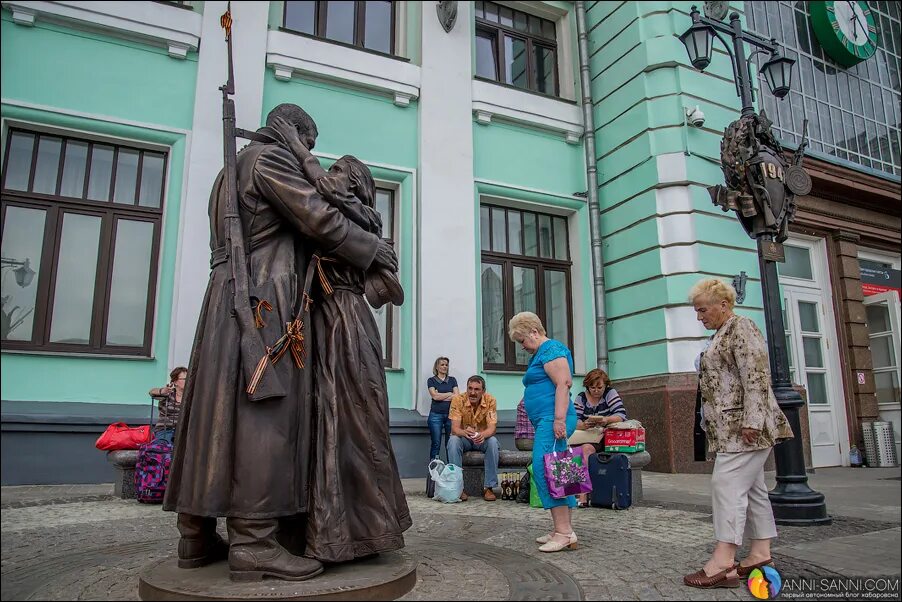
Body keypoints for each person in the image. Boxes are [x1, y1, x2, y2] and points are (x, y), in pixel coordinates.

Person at [163, 103, 399, 582]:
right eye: (308, 146)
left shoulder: (230, 169)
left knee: (216, 412)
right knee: (265, 418)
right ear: (295, 133)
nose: (307, 158)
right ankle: (254, 542)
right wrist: (375, 249)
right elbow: (317, 219)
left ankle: (195, 531)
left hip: (228, 299)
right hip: (265, 300)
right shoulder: (269, 160)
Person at [273, 120, 412, 562]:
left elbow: (321, 196)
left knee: (351, 418)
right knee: (323, 421)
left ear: (352, 181)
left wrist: (294, 145)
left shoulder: (358, 214)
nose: (327, 173)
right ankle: (322, 528)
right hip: (322, 321)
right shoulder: (343, 215)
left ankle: (358, 530)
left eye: (337, 169)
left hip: (344, 324)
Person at [683, 278, 794, 589]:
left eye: (703, 310)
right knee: (753, 489)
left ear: (724, 305)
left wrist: (753, 421)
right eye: (696, 310)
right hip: (732, 428)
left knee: (726, 485)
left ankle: (723, 560)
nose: (699, 316)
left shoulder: (741, 327)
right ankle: (760, 552)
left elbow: (756, 375)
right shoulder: (721, 333)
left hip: (744, 428)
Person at [509, 311, 578, 553]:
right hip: (548, 420)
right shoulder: (543, 352)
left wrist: (558, 419)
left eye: (522, 341)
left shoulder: (551, 349)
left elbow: (564, 382)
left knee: (544, 467)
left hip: (554, 419)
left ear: (534, 333)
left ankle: (563, 533)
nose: (523, 346)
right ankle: (564, 528)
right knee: (560, 470)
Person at [572, 368, 626, 506]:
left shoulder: (610, 393)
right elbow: (574, 420)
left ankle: (583, 496)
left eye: (599, 387)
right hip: (584, 435)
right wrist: (583, 425)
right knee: (569, 451)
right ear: (587, 386)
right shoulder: (581, 397)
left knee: (585, 450)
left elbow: (621, 415)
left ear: (605, 385)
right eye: (592, 387)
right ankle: (568, 493)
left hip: (604, 437)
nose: (596, 391)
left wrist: (606, 420)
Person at [447, 376, 500, 502]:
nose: (472, 392)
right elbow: (454, 429)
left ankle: (489, 487)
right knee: (453, 441)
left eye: (477, 389)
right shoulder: (458, 400)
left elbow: (492, 428)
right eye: (470, 388)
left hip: (482, 439)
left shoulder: (490, 400)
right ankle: (458, 488)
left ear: (483, 391)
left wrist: (483, 435)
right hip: (464, 439)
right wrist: (464, 432)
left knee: (493, 442)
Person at [427, 357, 459, 460]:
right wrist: (450, 394)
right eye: (442, 365)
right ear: (437, 367)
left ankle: (451, 469)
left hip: (451, 416)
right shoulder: (431, 380)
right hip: (435, 416)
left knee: (450, 443)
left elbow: (457, 396)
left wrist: (440, 396)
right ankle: (434, 470)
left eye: (446, 365)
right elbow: (434, 397)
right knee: (436, 443)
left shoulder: (452, 380)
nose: (444, 367)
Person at [148, 366, 187, 444]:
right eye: (184, 379)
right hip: (165, 430)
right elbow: (151, 392)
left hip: (183, 432)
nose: (187, 381)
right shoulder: (168, 394)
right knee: (164, 448)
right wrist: (162, 391)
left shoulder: (190, 397)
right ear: (175, 381)